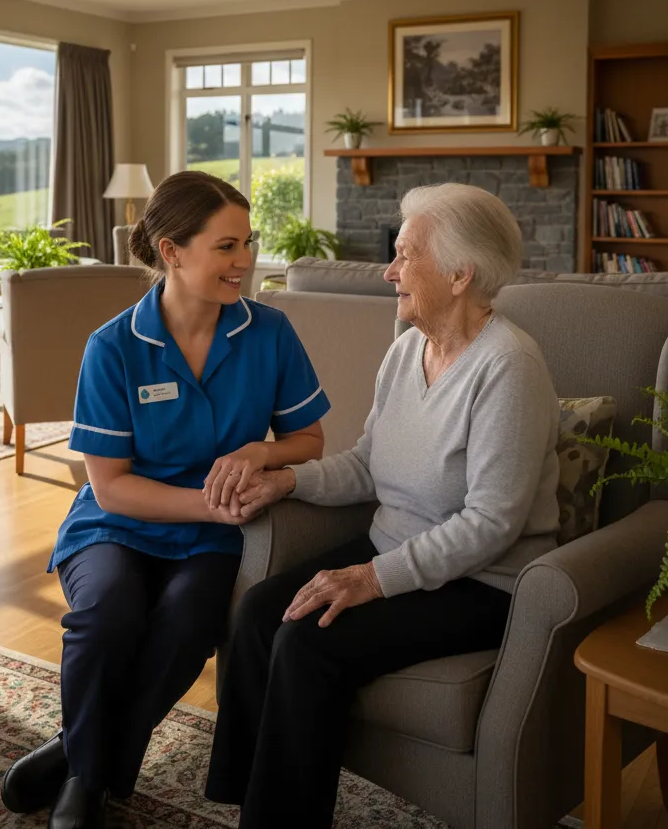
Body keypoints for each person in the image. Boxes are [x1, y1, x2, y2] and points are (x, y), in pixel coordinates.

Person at [204, 182, 561, 829]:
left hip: (484, 583)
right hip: (393, 546)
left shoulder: (510, 367)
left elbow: (491, 523)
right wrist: (288, 481)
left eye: (404, 256)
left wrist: (371, 579)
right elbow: (369, 464)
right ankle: (243, 800)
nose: (388, 271)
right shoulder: (405, 350)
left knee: (307, 644)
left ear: (460, 274)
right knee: (259, 612)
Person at [0, 170, 330, 829]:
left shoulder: (270, 333)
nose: (246, 262)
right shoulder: (113, 347)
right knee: (107, 616)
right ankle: (91, 778)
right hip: (117, 524)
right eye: (227, 247)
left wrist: (260, 452)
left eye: (249, 243)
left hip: (211, 539)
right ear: (172, 251)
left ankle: (82, 760)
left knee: (187, 624)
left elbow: (309, 440)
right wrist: (212, 506)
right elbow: (111, 485)